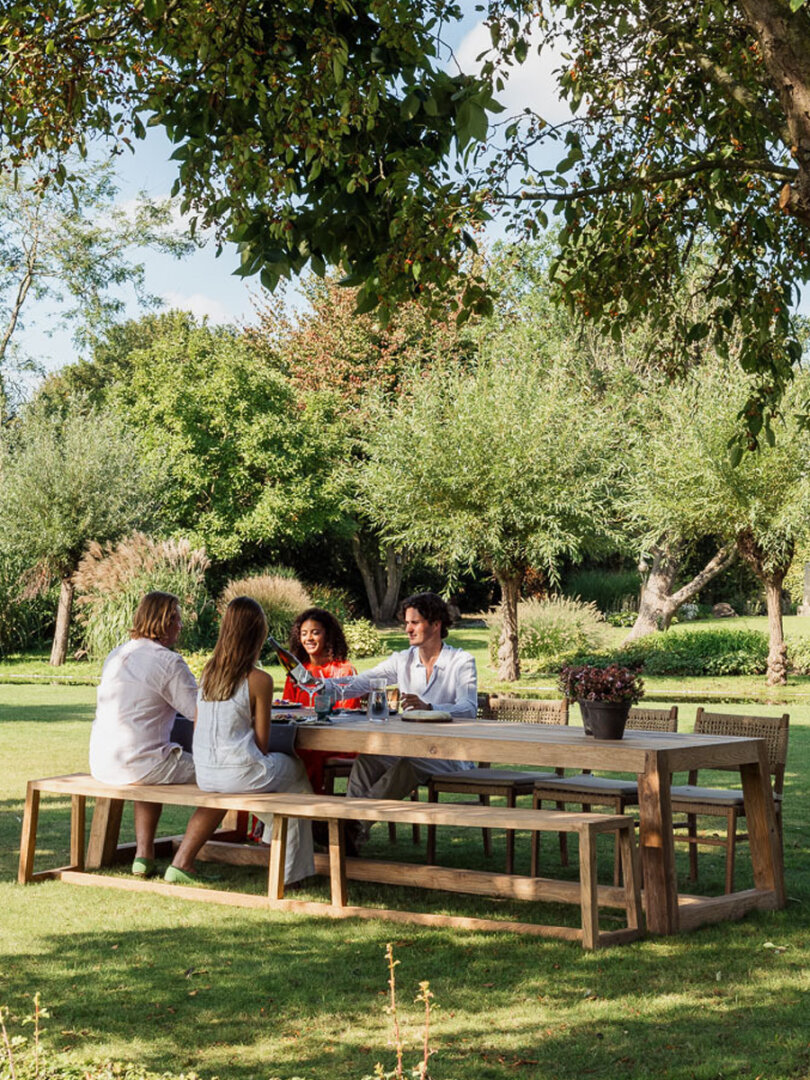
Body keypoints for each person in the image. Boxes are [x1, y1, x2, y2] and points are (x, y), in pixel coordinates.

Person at [323, 592, 477, 849]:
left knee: (410, 765)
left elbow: (469, 709)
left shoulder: (461, 661)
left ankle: (350, 825)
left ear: (436, 624)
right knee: (367, 760)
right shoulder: (403, 660)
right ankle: (352, 834)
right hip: (408, 748)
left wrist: (430, 707)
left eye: (414, 623)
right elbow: (360, 683)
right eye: (406, 622)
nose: (407, 629)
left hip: (450, 755)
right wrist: (318, 686)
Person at [88, 591, 224, 878]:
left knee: (150, 757)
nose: (180, 625)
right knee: (225, 777)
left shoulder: (118, 653)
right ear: (161, 621)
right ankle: (183, 862)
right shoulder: (168, 662)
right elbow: (201, 713)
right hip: (140, 764)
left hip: (103, 762)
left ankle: (143, 856)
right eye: (175, 618)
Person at [185, 596, 314, 886]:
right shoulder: (259, 679)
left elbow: (198, 725)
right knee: (297, 774)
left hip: (205, 772)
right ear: (258, 633)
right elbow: (262, 744)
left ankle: (273, 843)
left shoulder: (208, 673)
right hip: (239, 772)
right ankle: (289, 870)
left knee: (287, 791)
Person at [282, 607, 361, 793]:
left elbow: (346, 716)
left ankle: (311, 814)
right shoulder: (297, 673)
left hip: (336, 742)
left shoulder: (343, 670)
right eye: (304, 634)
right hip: (303, 739)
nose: (309, 638)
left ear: (328, 635)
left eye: (315, 632)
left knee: (306, 755)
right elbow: (287, 710)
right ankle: (280, 815)